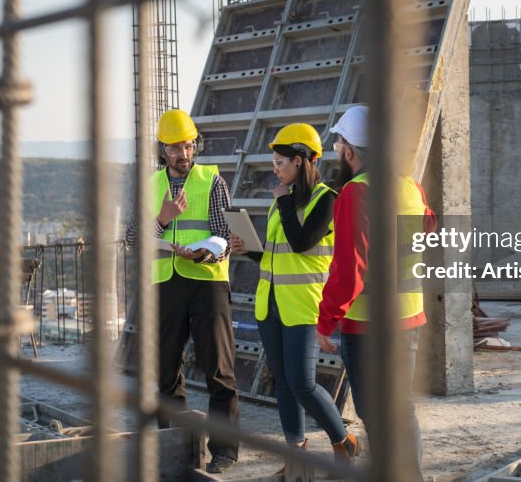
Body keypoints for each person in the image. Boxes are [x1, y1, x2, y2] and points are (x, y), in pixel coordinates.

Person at [228, 123, 360, 473]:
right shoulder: (282, 202)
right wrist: (249, 250)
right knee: (283, 382)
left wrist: (284, 200)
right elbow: (278, 253)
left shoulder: (327, 199)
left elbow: (302, 243)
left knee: (302, 382)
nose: (275, 169)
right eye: (273, 162)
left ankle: (342, 441)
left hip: (303, 305)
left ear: (301, 161)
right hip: (269, 304)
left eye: (280, 162)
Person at [315, 105, 436, 479]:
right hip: (408, 317)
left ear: (349, 152)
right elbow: (428, 227)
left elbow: (349, 270)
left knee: (374, 415)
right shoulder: (409, 186)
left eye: (338, 143)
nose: (337, 149)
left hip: (368, 326)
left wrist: (326, 321)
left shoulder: (355, 193)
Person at [125, 109, 239, 475]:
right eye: (176, 147)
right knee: (164, 372)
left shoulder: (212, 180)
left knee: (218, 371)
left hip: (207, 283)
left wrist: (211, 249)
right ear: (163, 149)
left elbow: (226, 232)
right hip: (165, 284)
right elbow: (132, 239)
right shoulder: (151, 185)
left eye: (188, 145)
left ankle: (224, 451)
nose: (184, 154)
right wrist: (162, 219)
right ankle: (173, 444)